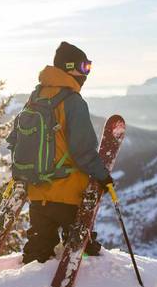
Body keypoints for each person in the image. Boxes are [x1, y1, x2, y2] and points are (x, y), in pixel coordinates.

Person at [7, 41, 113, 264]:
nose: (86, 73)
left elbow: (15, 139)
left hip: (37, 194)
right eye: (84, 67)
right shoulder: (73, 102)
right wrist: (103, 176)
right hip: (69, 195)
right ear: (69, 67)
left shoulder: (36, 97)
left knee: (38, 251)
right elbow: (83, 149)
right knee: (82, 252)